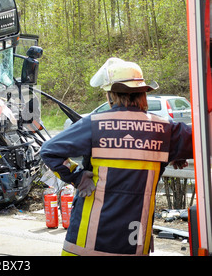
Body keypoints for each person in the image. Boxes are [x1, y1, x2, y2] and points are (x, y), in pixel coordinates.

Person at [40, 57, 193, 256]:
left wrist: (77, 176)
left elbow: (49, 151)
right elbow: (202, 141)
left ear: (110, 95)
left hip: (86, 241)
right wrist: (174, 152)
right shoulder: (165, 129)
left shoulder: (95, 124)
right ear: (143, 93)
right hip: (134, 241)